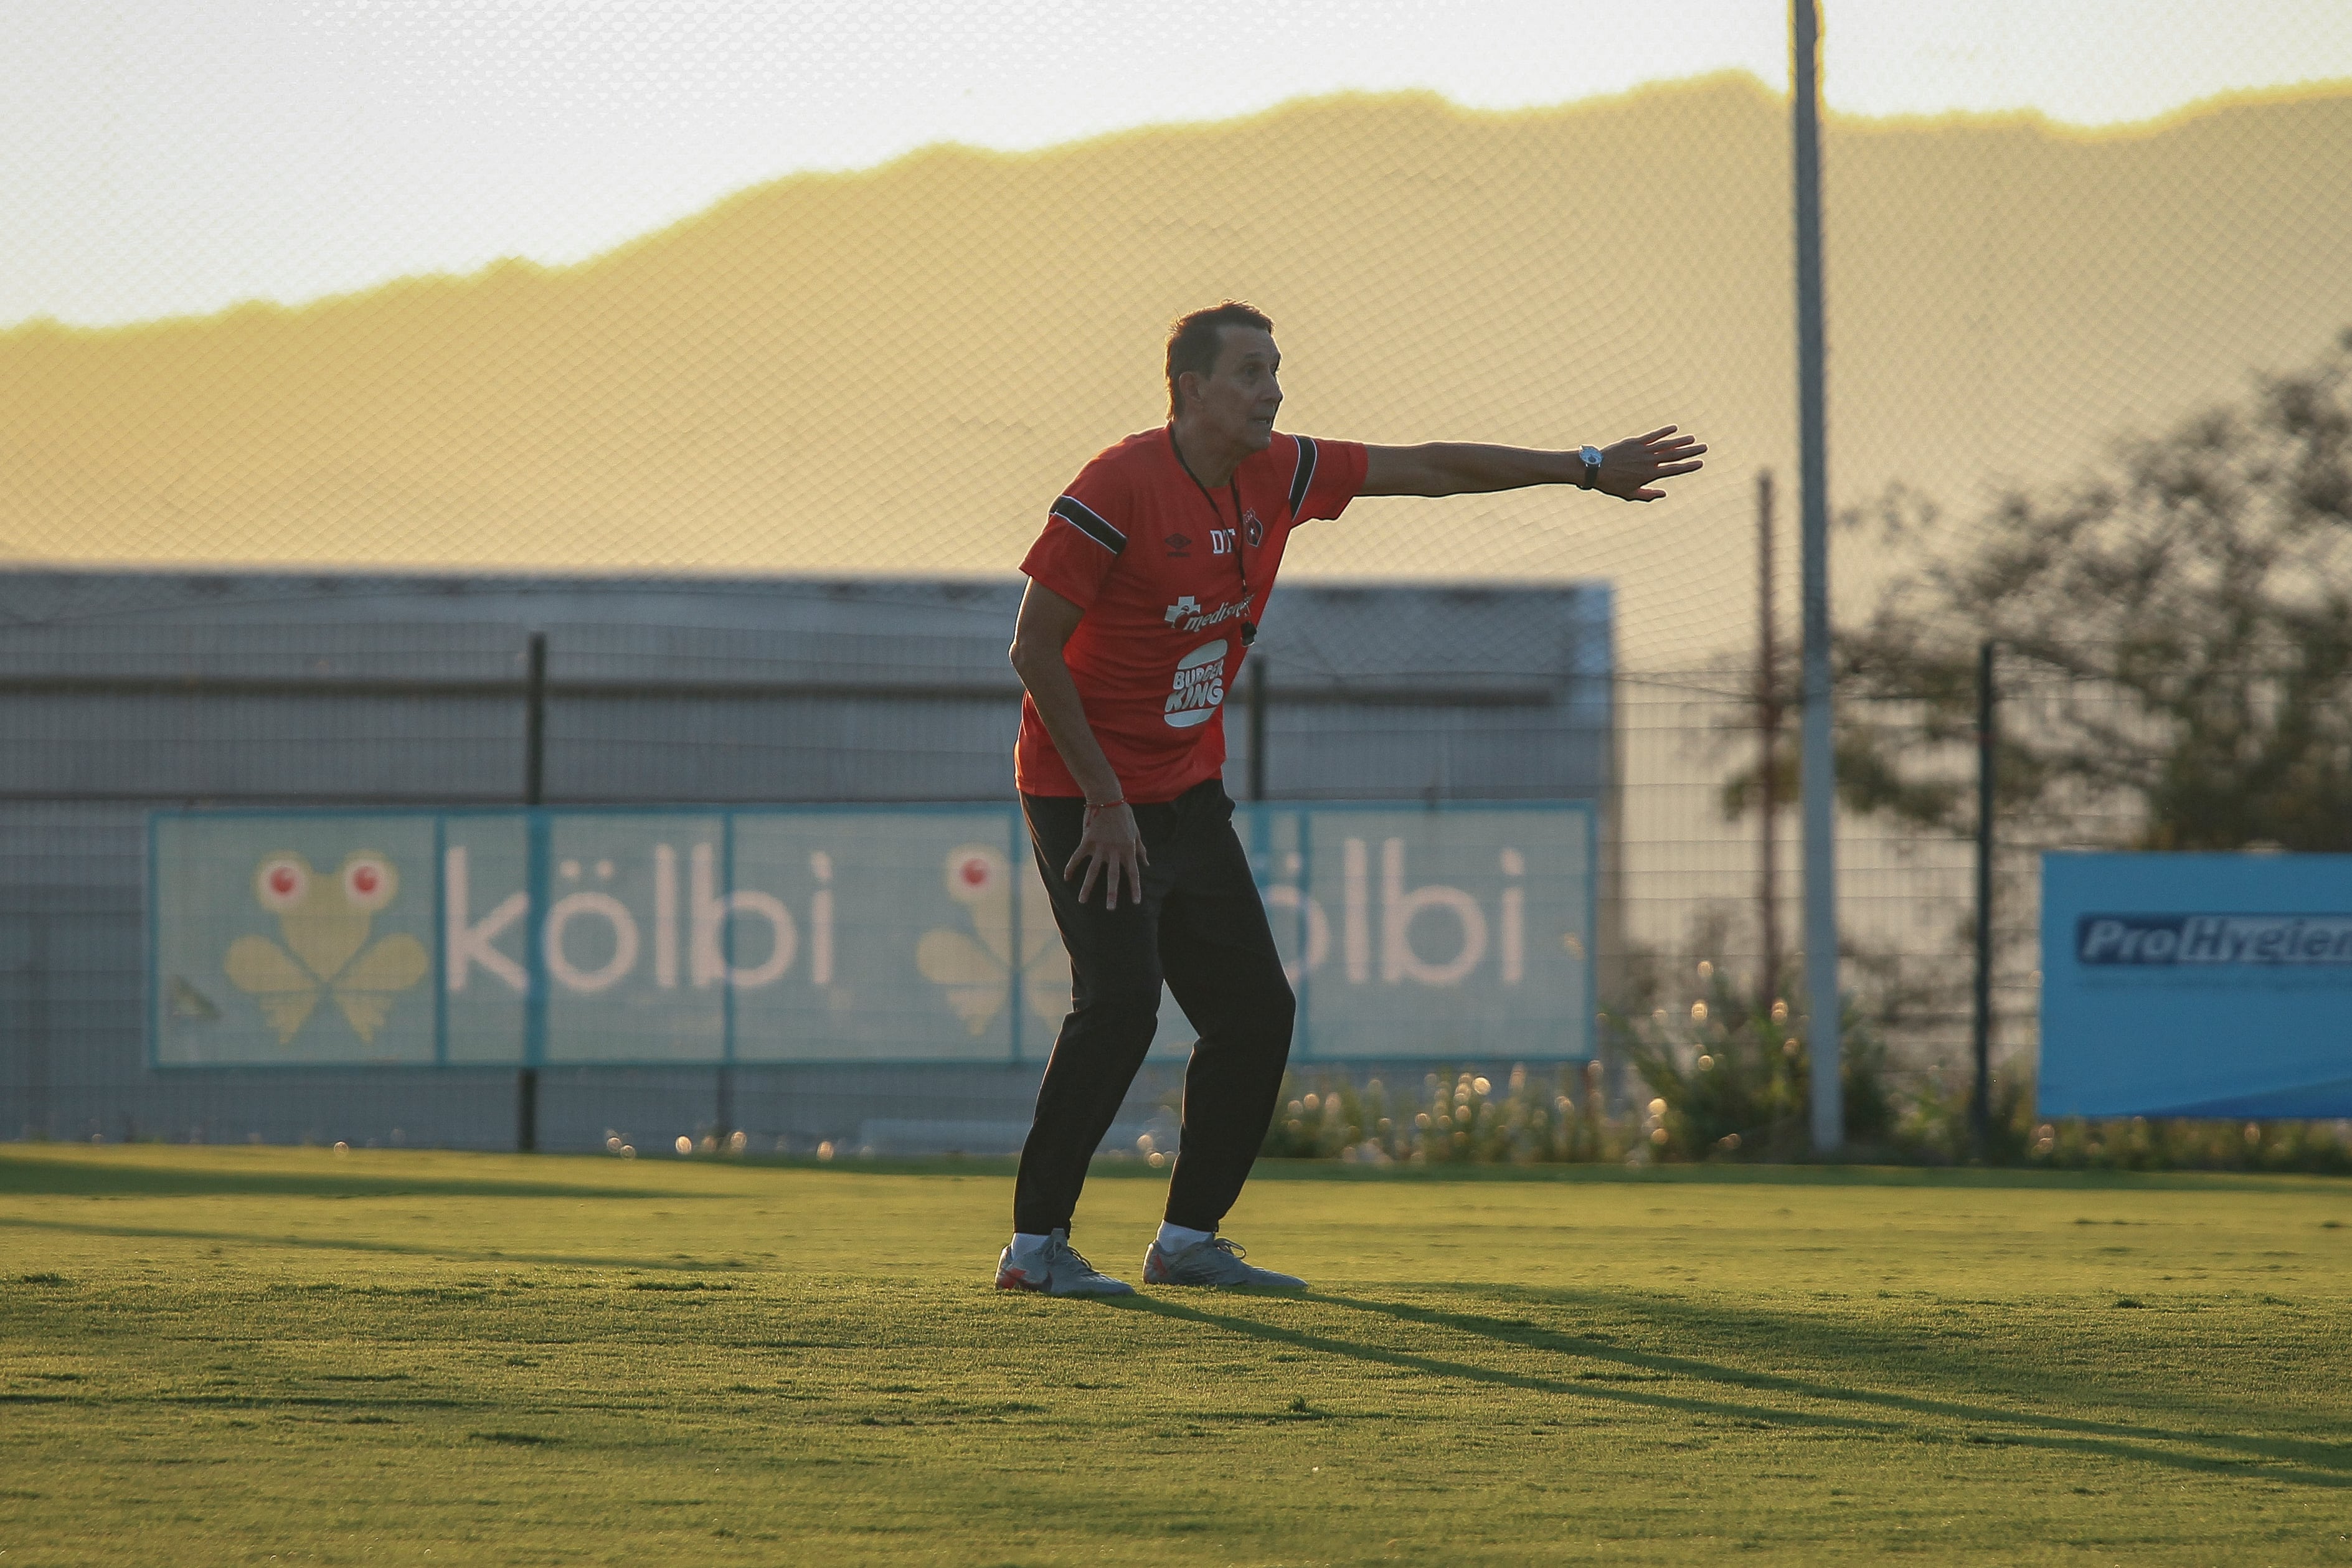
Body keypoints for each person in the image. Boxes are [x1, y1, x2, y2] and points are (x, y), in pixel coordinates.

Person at [996, 301, 1704, 1296]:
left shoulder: (1280, 469)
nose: (1272, 389)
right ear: (1190, 388)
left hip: (1186, 792)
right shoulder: (1116, 487)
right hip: (1085, 795)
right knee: (1118, 1004)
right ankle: (1034, 1251)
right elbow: (1032, 648)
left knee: (1253, 1017)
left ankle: (1187, 1242)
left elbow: (1431, 467)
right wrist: (1105, 799)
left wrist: (1584, 465)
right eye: (1249, 371)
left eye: (1276, 368)